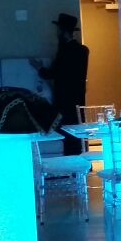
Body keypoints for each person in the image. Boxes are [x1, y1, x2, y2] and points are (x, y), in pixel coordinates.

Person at [38, 12, 89, 155]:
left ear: (63, 31)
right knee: (76, 131)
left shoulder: (64, 51)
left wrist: (38, 68)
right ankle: (79, 159)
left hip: (63, 100)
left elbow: (52, 74)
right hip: (78, 98)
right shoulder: (83, 51)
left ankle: (69, 161)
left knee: (65, 132)